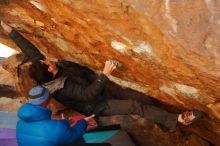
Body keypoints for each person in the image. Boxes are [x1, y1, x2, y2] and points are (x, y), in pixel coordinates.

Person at [1, 21, 202, 132]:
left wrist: (10, 31)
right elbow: (88, 95)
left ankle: (165, 122)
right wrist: (104, 74)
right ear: (51, 71)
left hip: (96, 85)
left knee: (142, 101)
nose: (47, 60)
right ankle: (178, 119)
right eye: (47, 63)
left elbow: (31, 50)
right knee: (133, 105)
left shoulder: (43, 70)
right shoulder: (62, 88)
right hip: (95, 104)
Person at [16, 85, 95, 146]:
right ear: (47, 101)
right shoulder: (55, 129)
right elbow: (75, 135)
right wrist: (83, 122)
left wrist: (64, 124)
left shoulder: (20, 123)